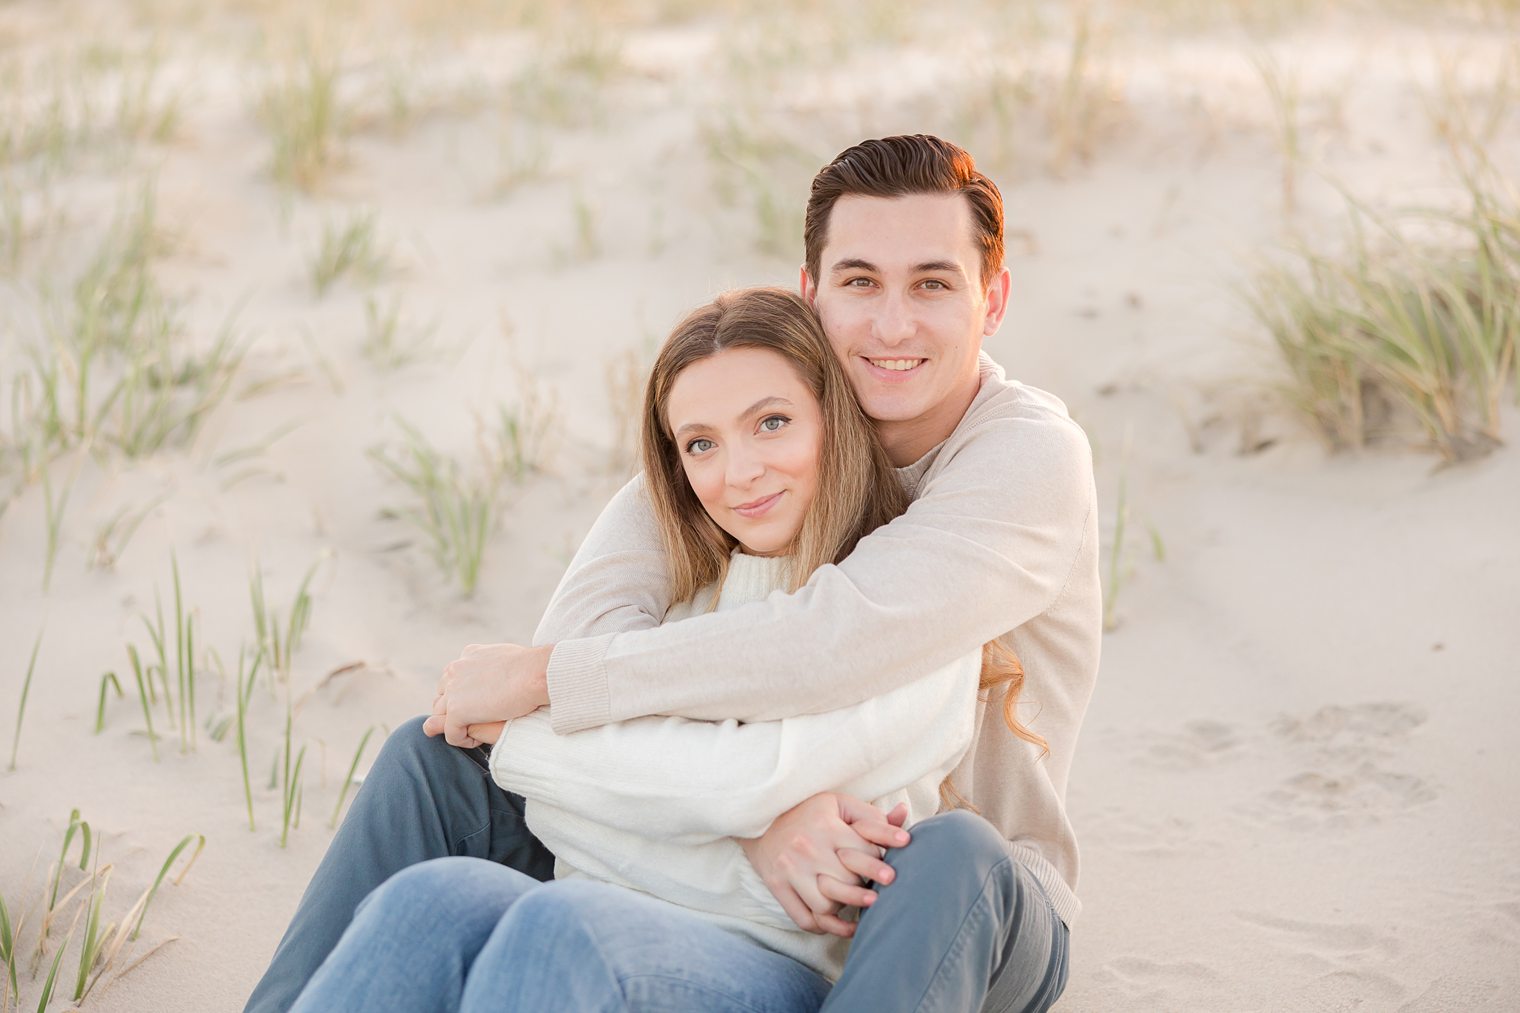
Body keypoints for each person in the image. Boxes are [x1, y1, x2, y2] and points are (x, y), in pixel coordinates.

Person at [246, 134, 1097, 1013]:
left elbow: (826, 641)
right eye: (858, 281)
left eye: (931, 282)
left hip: (950, 902)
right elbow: (586, 647)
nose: (891, 324)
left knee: (946, 852)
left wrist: (543, 687)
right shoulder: (743, 443)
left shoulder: (1021, 458)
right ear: (812, 296)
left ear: (991, 300)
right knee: (436, 766)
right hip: (714, 884)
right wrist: (747, 828)